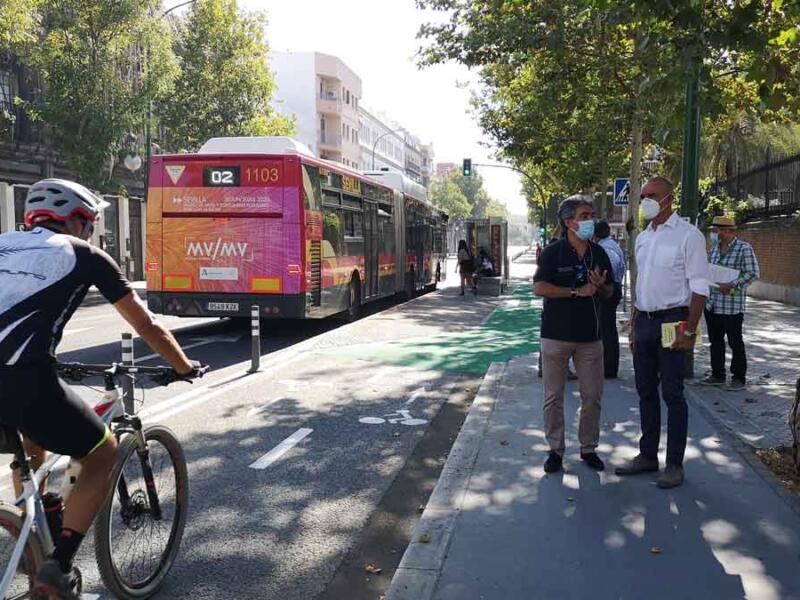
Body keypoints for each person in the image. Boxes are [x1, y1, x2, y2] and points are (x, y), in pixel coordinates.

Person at [0, 179, 201, 599]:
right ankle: (57, 567)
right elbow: (146, 325)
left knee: (30, 439)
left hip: (20, 379)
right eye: (89, 225)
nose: (89, 233)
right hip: (22, 376)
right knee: (102, 453)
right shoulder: (86, 256)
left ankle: (35, 535)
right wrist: (183, 366)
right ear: (78, 222)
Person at [615, 177, 709, 489]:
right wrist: (633, 323)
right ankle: (647, 456)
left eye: (651, 196)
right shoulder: (643, 237)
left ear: (669, 198)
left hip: (673, 322)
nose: (645, 202)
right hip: (644, 321)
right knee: (644, 390)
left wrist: (690, 331)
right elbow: (641, 282)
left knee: (672, 392)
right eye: (642, 197)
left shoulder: (689, 236)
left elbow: (699, 288)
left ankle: (674, 464)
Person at [533, 195, 613, 474]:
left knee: (592, 396)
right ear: (569, 222)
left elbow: (610, 292)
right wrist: (575, 291)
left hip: (590, 337)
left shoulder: (599, 254)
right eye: (585, 215)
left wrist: (601, 287)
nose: (591, 220)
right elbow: (540, 287)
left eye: (592, 215)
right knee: (553, 397)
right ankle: (555, 450)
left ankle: (588, 448)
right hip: (555, 336)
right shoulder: (553, 253)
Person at [700, 215, 760, 391]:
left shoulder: (743, 249)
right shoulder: (715, 249)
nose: (713, 233)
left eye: (715, 230)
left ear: (727, 231)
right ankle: (717, 374)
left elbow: (753, 273)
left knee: (735, 341)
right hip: (713, 303)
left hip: (732, 305)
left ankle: (739, 377)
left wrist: (732, 284)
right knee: (715, 340)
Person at [594, 221, 625, 378]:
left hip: (609, 289)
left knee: (607, 329)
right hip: (613, 288)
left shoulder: (606, 248)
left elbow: (612, 264)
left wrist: (604, 278)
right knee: (608, 328)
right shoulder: (612, 244)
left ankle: (609, 367)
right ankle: (608, 365)